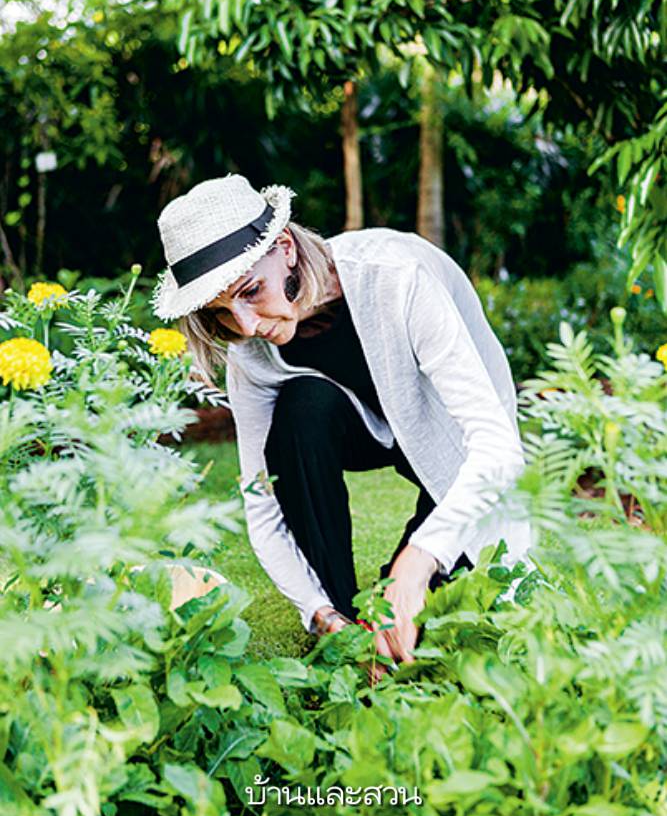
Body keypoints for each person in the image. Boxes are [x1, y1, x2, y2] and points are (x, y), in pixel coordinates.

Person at [152, 174, 530, 669]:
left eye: (250, 291)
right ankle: (346, 618)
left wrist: (417, 561)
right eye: (221, 313)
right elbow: (260, 500)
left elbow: (496, 448)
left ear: (284, 247)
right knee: (301, 407)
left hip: (452, 433)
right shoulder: (251, 349)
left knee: (443, 608)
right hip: (355, 430)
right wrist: (319, 611)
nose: (245, 326)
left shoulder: (398, 277)